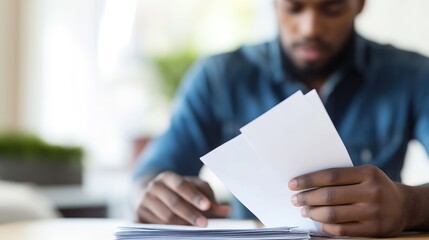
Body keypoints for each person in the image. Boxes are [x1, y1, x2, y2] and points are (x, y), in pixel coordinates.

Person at [133, 0, 429, 237]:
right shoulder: (219, 78)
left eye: (332, 8)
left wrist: (409, 206)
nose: (310, 28)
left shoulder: (413, 75)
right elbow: (152, 174)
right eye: (293, 7)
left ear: (360, 3)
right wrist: (156, 195)